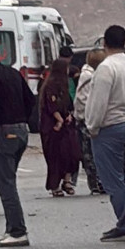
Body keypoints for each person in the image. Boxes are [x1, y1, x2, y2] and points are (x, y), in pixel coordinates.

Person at [84, 25, 125, 242]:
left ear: (104, 43)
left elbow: (98, 102)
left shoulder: (106, 68)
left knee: (112, 180)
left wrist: (92, 126)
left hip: (109, 128)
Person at [0, 38, 35, 248]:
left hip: (3, 132)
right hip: (21, 131)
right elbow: (31, 100)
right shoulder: (13, 73)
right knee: (9, 179)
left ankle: (17, 231)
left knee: (5, 183)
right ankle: (12, 228)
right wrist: (22, 120)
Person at [39, 57, 81, 197]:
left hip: (66, 125)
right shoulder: (50, 85)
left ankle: (67, 180)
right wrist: (59, 120)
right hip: (53, 126)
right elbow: (52, 105)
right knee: (55, 156)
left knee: (72, 153)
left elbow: (68, 103)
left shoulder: (65, 84)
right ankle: (54, 185)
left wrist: (69, 115)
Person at [74, 48, 106, 195]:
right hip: (89, 120)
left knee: (90, 153)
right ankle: (97, 182)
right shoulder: (90, 77)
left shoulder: (85, 75)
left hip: (84, 118)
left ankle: (96, 182)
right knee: (92, 153)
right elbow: (89, 100)